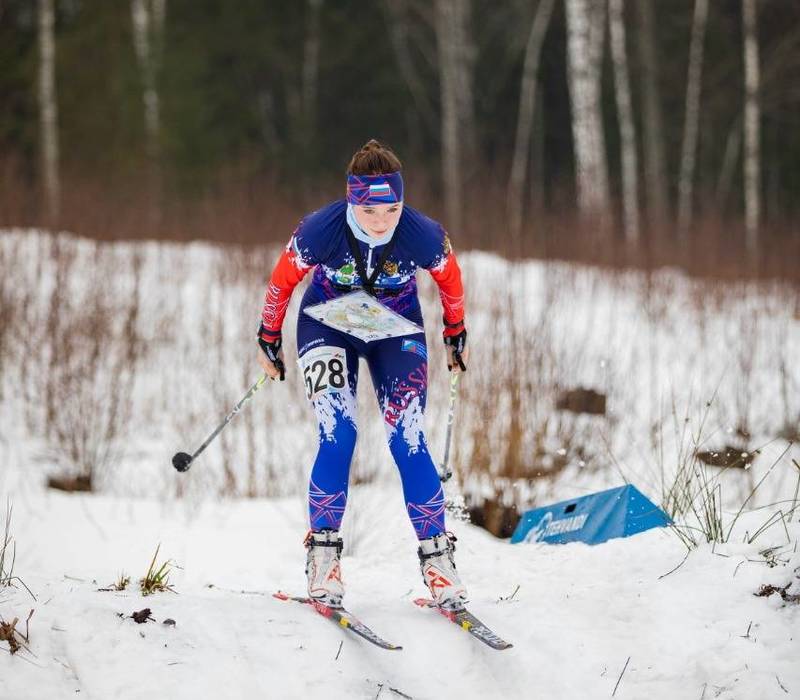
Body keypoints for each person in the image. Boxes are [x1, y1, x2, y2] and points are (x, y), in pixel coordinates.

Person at [257, 139, 469, 611]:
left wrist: (455, 330)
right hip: (326, 324)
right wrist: (268, 336)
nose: (382, 221)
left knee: (408, 439)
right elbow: (282, 281)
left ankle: (438, 562)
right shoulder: (320, 230)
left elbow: (450, 280)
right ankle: (324, 557)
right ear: (352, 201)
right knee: (339, 433)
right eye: (370, 211)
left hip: (395, 331)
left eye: (392, 208)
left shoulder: (422, 234)